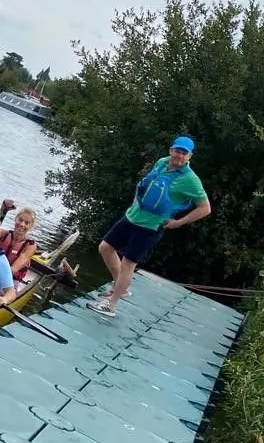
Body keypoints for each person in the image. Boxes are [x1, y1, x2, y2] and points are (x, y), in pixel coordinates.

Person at [88, 136, 211, 318]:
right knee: (105, 248)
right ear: (171, 150)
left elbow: (205, 208)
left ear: (190, 156)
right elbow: (145, 186)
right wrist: (133, 204)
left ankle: (111, 305)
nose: (179, 155)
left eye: (184, 153)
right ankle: (119, 287)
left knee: (128, 264)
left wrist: (178, 223)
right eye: (177, 150)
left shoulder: (190, 180)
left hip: (150, 227)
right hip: (132, 217)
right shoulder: (162, 162)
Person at [0, 207, 38, 281]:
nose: (22, 224)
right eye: (20, 220)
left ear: (31, 226)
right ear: (15, 219)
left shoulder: (30, 245)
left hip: (11, 279)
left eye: (27, 223)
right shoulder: (4, 234)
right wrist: (3, 209)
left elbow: (14, 269)